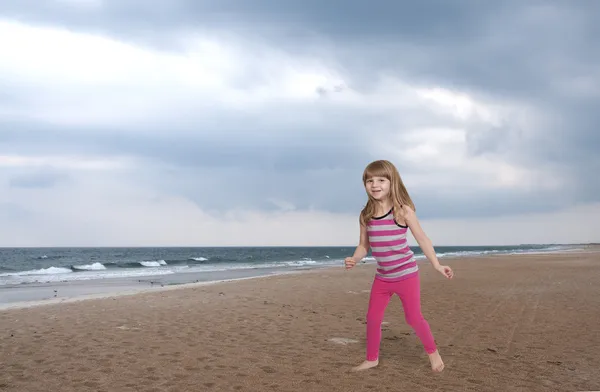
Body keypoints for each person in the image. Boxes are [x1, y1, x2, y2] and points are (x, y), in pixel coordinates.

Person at [344, 159, 453, 373]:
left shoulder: (403, 212)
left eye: (381, 180)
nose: (375, 185)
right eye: (369, 180)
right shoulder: (365, 215)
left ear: (392, 182)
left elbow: (423, 239)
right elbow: (363, 245)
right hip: (383, 277)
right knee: (373, 318)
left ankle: (434, 354)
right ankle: (372, 358)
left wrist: (437, 265)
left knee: (413, 318)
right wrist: (355, 259)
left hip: (406, 275)